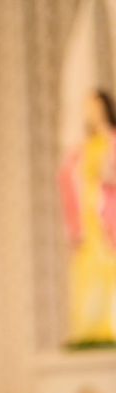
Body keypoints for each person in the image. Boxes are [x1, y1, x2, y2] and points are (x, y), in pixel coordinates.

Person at [60, 89, 116, 345]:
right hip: (88, 219)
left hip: (108, 215)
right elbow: (68, 177)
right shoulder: (83, 148)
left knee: (108, 271)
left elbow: (109, 175)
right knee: (87, 273)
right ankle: (90, 329)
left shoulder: (111, 141)